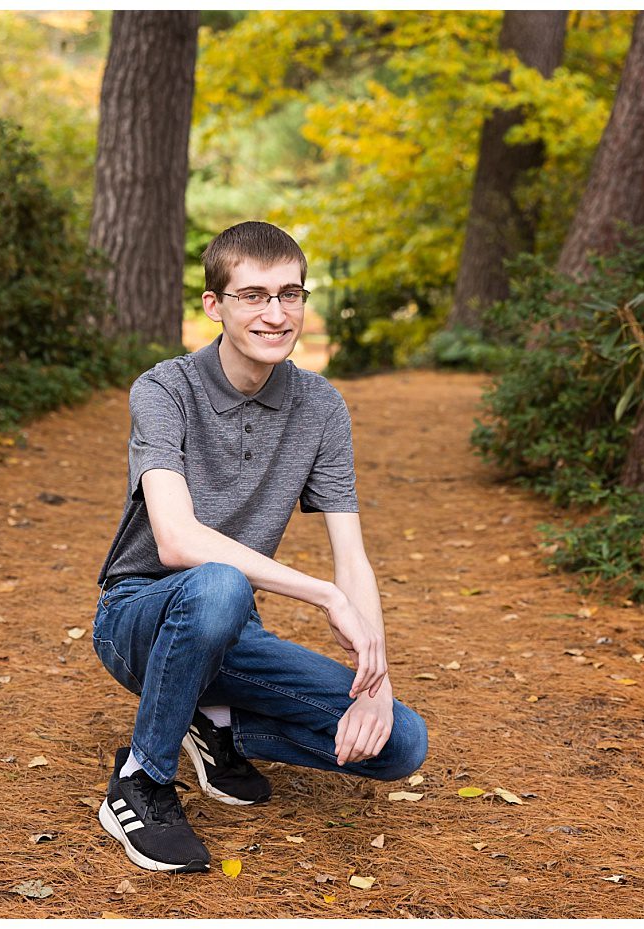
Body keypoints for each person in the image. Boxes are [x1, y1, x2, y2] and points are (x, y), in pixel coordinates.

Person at [90, 221, 427, 873]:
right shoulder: (163, 391)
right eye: (254, 295)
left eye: (290, 294)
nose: (277, 314)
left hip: (230, 632)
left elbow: (351, 555)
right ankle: (141, 779)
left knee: (400, 741)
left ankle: (210, 720)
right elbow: (176, 537)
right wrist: (321, 592)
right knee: (219, 583)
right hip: (136, 618)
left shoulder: (321, 408)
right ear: (215, 305)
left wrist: (377, 683)